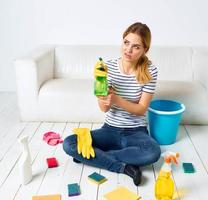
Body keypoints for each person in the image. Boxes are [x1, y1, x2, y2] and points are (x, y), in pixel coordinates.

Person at [63, 22, 161, 186]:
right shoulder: (107, 68)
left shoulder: (150, 71)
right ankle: (124, 168)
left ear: (145, 49)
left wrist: (116, 99)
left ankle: (97, 156)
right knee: (69, 143)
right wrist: (104, 97)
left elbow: (141, 110)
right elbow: (104, 108)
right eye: (126, 43)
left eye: (136, 47)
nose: (128, 50)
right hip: (110, 130)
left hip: (136, 132)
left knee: (153, 153)